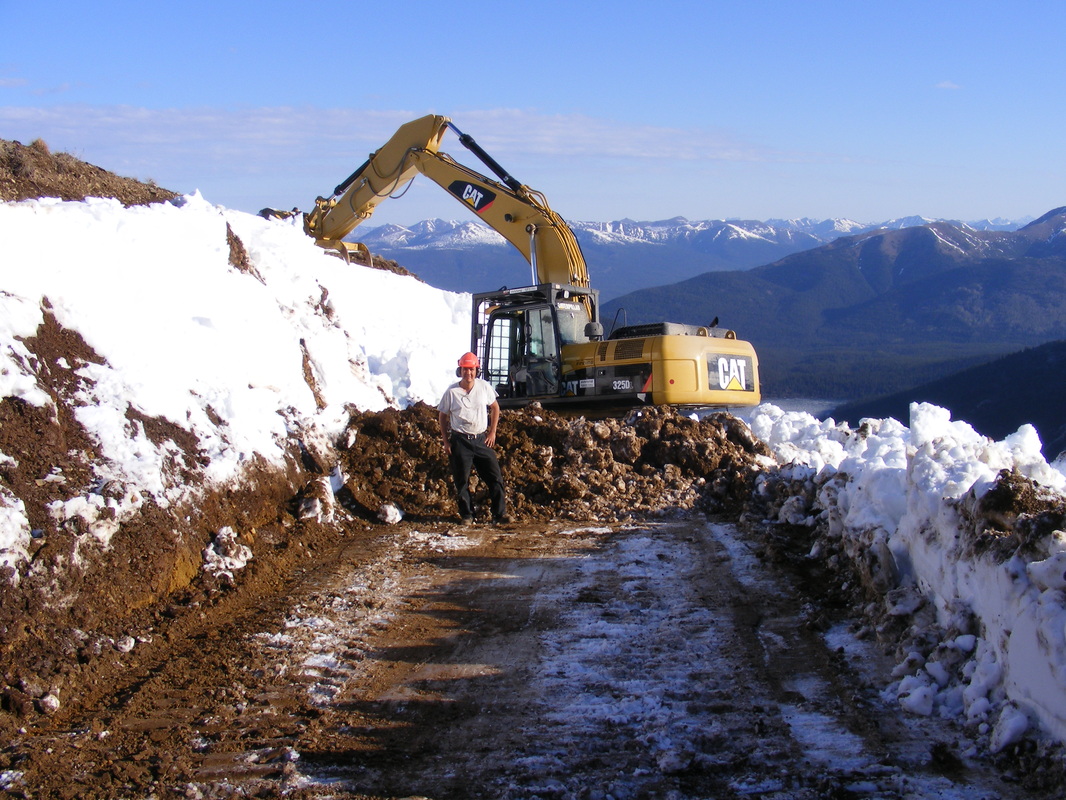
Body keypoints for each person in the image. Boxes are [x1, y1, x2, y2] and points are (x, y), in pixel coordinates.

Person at [438, 352, 510, 524]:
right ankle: (467, 515)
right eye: (465, 369)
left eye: (471, 369)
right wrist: (446, 441)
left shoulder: (484, 387)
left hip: (480, 440)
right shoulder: (451, 392)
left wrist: (492, 432)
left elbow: (495, 408)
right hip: (460, 441)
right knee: (462, 480)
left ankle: (499, 514)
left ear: (476, 370)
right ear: (459, 370)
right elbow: (442, 415)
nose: (468, 373)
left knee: (494, 477)